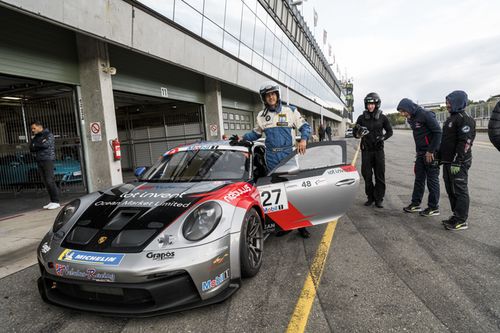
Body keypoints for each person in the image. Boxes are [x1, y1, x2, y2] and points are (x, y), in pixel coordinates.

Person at [242, 81, 311, 238]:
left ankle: (302, 225)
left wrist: (304, 139)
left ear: (277, 95)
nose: (271, 97)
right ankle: (283, 225)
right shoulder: (261, 116)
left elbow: (305, 127)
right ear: (264, 99)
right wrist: (242, 138)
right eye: (268, 95)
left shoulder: (290, 110)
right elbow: (255, 134)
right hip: (272, 158)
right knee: (278, 194)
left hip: (289, 156)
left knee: (295, 192)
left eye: (273, 94)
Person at [397, 98, 442, 216]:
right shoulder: (411, 118)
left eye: (403, 111)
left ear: (409, 108)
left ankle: (433, 207)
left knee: (432, 181)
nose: (402, 114)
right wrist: (418, 153)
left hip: (431, 154)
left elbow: (438, 132)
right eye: (401, 112)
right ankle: (415, 204)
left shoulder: (425, 115)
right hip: (420, 154)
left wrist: (431, 151)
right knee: (419, 180)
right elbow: (419, 136)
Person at [439, 91, 476, 230]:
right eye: (447, 102)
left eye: (450, 102)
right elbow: (445, 142)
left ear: (458, 102)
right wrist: (439, 157)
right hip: (448, 161)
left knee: (460, 190)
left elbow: (465, 142)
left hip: (459, 162)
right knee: (451, 190)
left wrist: (458, 160)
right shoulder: (450, 119)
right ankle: (456, 215)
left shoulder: (465, 119)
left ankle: (461, 220)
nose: (447, 105)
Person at [353, 92, 393, 208]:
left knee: (379, 175)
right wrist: (358, 133)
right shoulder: (361, 118)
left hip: (378, 151)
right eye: (369, 104)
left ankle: (379, 199)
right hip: (366, 151)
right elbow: (355, 134)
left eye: (373, 104)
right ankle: (370, 197)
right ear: (366, 105)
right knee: (367, 175)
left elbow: (390, 132)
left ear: (377, 104)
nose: (370, 106)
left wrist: (383, 137)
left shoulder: (383, 117)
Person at [29, 120, 60, 210]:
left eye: (34, 128)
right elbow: (31, 147)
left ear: (40, 127)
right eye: (32, 129)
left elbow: (45, 145)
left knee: (50, 180)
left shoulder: (48, 135)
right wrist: (38, 144)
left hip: (48, 160)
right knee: (45, 182)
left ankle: (56, 201)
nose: (33, 130)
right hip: (39, 160)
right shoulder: (36, 137)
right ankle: (52, 201)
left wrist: (36, 145)